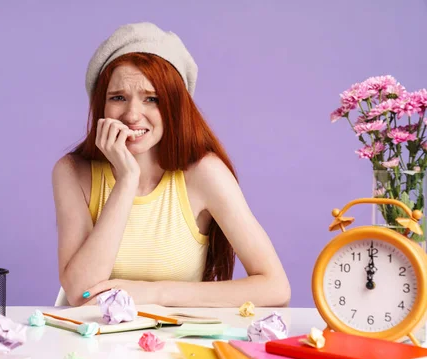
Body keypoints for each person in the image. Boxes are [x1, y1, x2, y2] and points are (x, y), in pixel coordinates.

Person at [52, 22, 290, 308]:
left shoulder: (205, 174)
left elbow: (275, 287)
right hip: (91, 344)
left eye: (152, 99)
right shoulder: (72, 172)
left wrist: (155, 293)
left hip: (177, 341)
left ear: (175, 107)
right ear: (100, 106)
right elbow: (80, 292)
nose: (132, 115)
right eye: (118, 98)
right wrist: (127, 179)